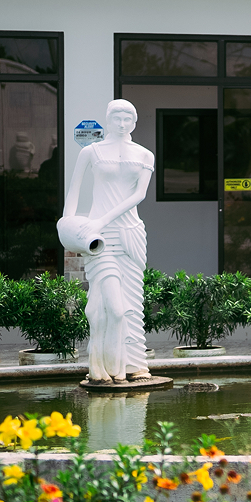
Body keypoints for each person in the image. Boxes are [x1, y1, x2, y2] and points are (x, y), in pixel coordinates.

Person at [59, 99, 153, 382]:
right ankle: (105, 365)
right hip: (99, 236)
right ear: (108, 120)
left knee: (132, 303)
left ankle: (135, 365)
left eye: (128, 119)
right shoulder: (92, 152)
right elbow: (73, 194)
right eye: (117, 118)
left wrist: (102, 219)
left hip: (131, 233)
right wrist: (69, 224)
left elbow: (139, 196)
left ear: (134, 122)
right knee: (107, 304)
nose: (122, 123)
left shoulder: (145, 155)